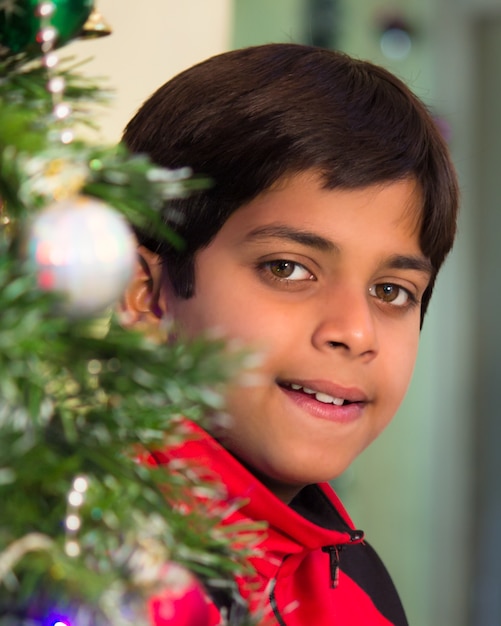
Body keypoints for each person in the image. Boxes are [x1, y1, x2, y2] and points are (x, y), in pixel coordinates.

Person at [121, 43, 459, 626]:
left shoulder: (360, 586)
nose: (355, 331)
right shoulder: (61, 555)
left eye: (391, 291)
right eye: (288, 268)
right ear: (147, 295)